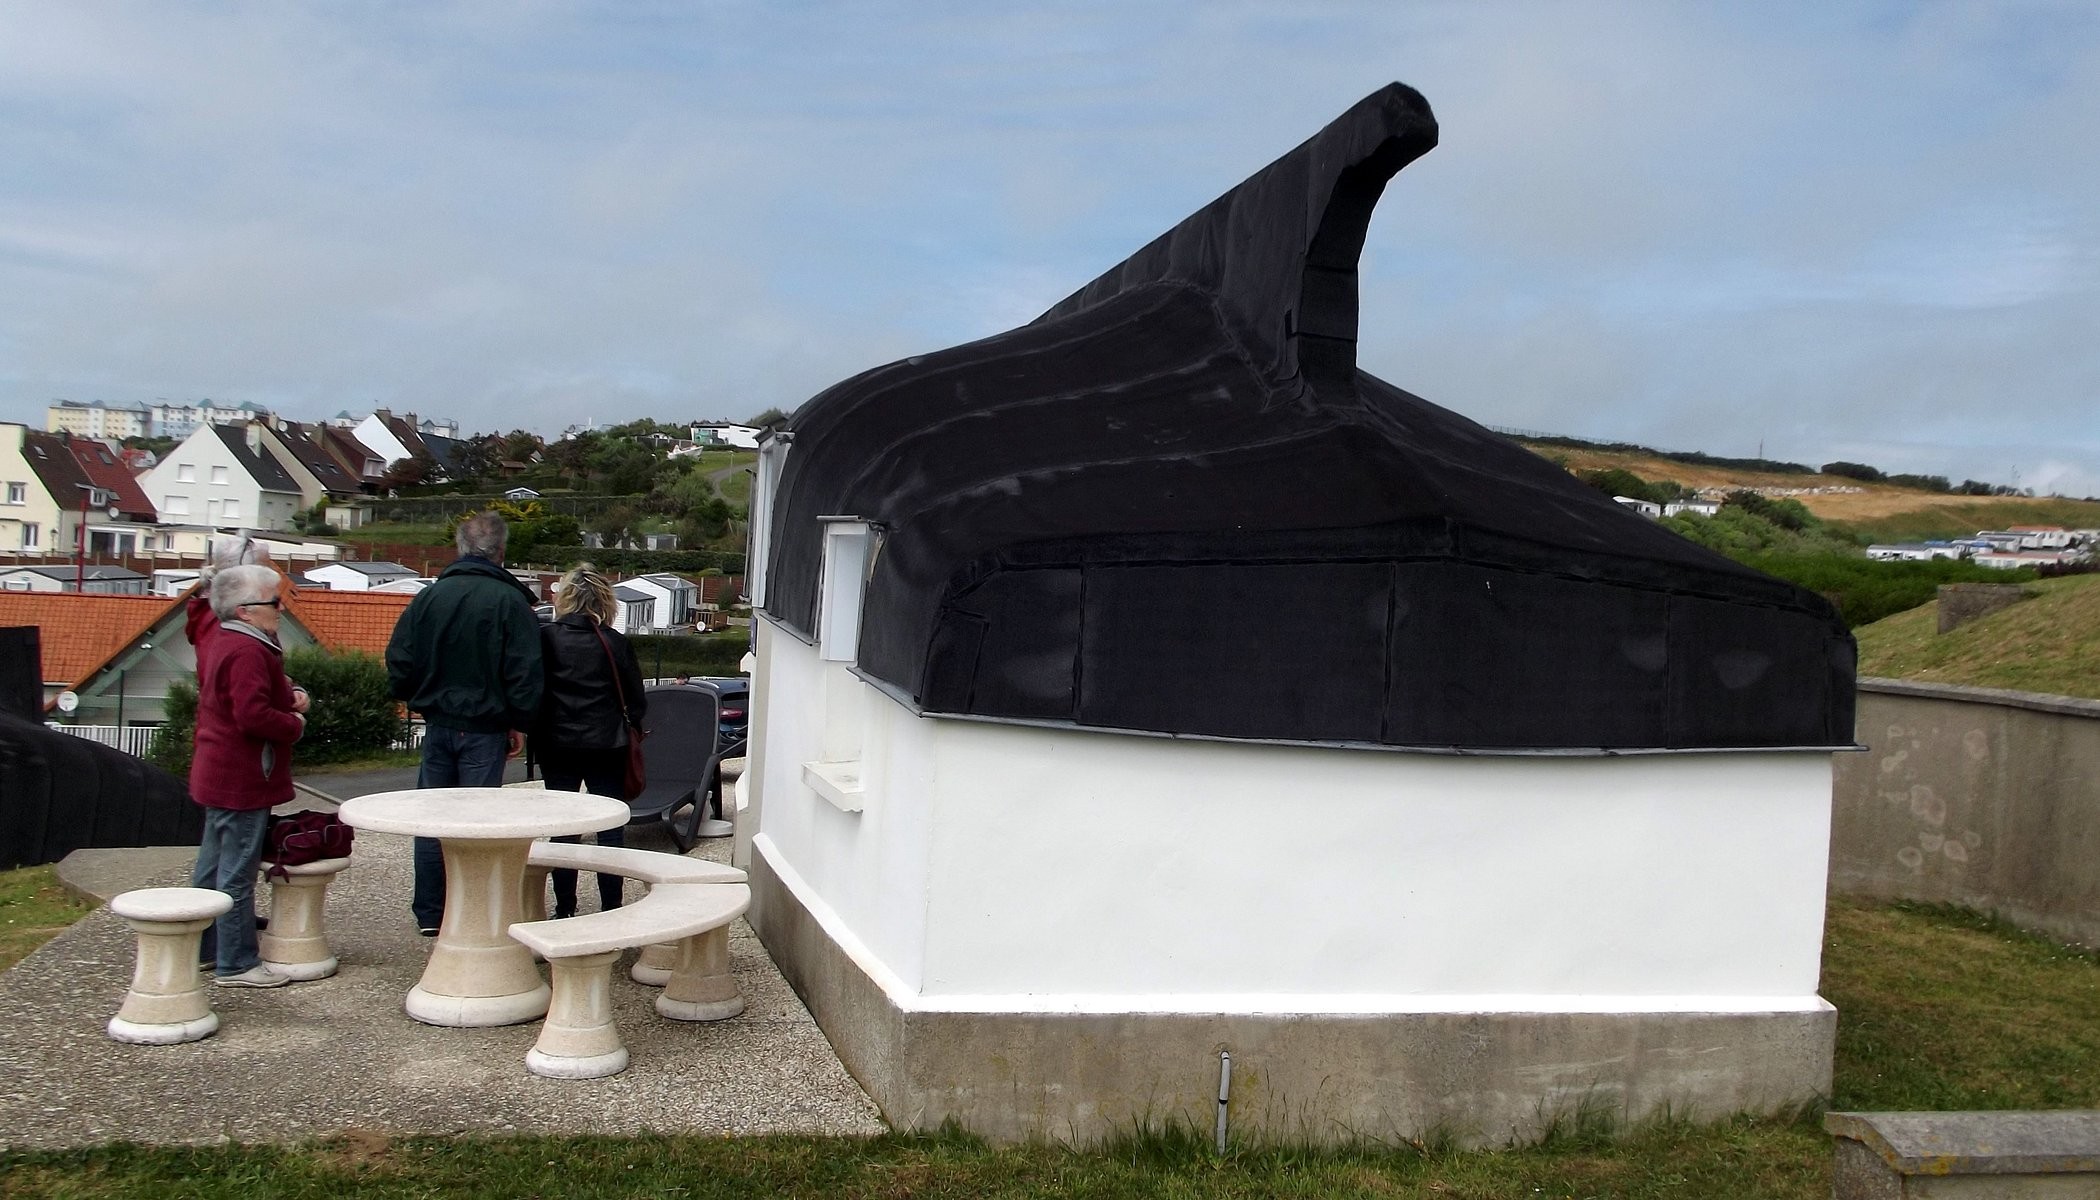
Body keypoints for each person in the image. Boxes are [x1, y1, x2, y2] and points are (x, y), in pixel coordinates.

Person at [385, 511, 544, 935]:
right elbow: (525, 671)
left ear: (459, 548)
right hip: (486, 728)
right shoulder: (511, 602)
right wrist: (520, 722)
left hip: (438, 722)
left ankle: (432, 913)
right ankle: (468, 907)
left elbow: (399, 657)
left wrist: (416, 695)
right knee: (475, 824)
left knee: (432, 821)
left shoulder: (429, 597)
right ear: (501, 552)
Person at [189, 564, 308, 988]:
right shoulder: (247, 650)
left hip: (217, 769)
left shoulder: (226, 640)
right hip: (241, 776)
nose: (280, 609)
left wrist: (288, 694)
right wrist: (294, 724)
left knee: (212, 866)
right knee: (236, 872)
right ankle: (236, 962)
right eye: (274, 602)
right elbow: (251, 714)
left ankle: (205, 948)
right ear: (245, 611)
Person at [531, 565, 647, 917]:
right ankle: (612, 906)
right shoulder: (613, 642)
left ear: (564, 598)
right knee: (609, 826)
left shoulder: (544, 637)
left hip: (557, 745)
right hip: (607, 744)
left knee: (564, 828)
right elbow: (636, 701)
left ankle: (564, 906)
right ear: (604, 601)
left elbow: (534, 690)